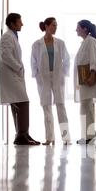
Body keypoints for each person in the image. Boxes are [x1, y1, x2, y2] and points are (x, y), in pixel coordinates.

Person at [0, 13, 40, 146]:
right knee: (22, 102)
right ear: (12, 24)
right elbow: (5, 55)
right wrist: (18, 67)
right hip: (11, 75)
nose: (22, 24)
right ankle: (22, 134)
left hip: (14, 75)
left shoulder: (13, 36)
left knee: (18, 102)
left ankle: (22, 134)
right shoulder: (7, 37)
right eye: (19, 22)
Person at [31, 17, 71, 146]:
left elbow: (67, 59)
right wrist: (37, 76)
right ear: (47, 26)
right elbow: (33, 62)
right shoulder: (37, 44)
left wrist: (63, 74)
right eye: (53, 25)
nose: (55, 28)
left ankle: (66, 138)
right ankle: (49, 138)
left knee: (61, 106)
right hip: (44, 78)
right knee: (46, 107)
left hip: (58, 77)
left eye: (56, 25)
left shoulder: (60, 43)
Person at [74, 20, 96, 145]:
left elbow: (94, 58)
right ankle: (87, 134)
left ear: (84, 29)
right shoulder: (86, 42)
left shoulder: (91, 41)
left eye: (78, 28)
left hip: (89, 79)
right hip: (84, 80)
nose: (76, 30)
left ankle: (90, 135)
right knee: (85, 106)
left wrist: (92, 74)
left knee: (87, 107)